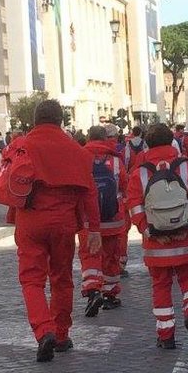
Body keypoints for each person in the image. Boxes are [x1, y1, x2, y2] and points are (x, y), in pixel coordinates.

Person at [2, 98, 101, 361]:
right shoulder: (76, 151)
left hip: (30, 220)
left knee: (32, 279)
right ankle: (60, 333)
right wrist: (94, 229)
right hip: (64, 222)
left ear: (34, 120)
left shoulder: (21, 146)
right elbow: (90, 193)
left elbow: (4, 181)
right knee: (62, 278)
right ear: (61, 120)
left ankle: (42, 329)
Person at [126, 122, 188, 349]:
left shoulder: (139, 173)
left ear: (147, 144)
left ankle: (166, 335)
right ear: (171, 142)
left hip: (156, 242)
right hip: (187, 241)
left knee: (160, 286)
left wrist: (148, 230)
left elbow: (134, 206)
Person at [79, 125, 128, 314]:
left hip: (88, 219)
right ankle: (110, 294)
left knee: (89, 255)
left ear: (88, 138)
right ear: (106, 139)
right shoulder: (115, 160)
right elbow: (125, 185)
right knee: (111, 256)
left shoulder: (80, 158)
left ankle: (92, 289)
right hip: (113, 218)